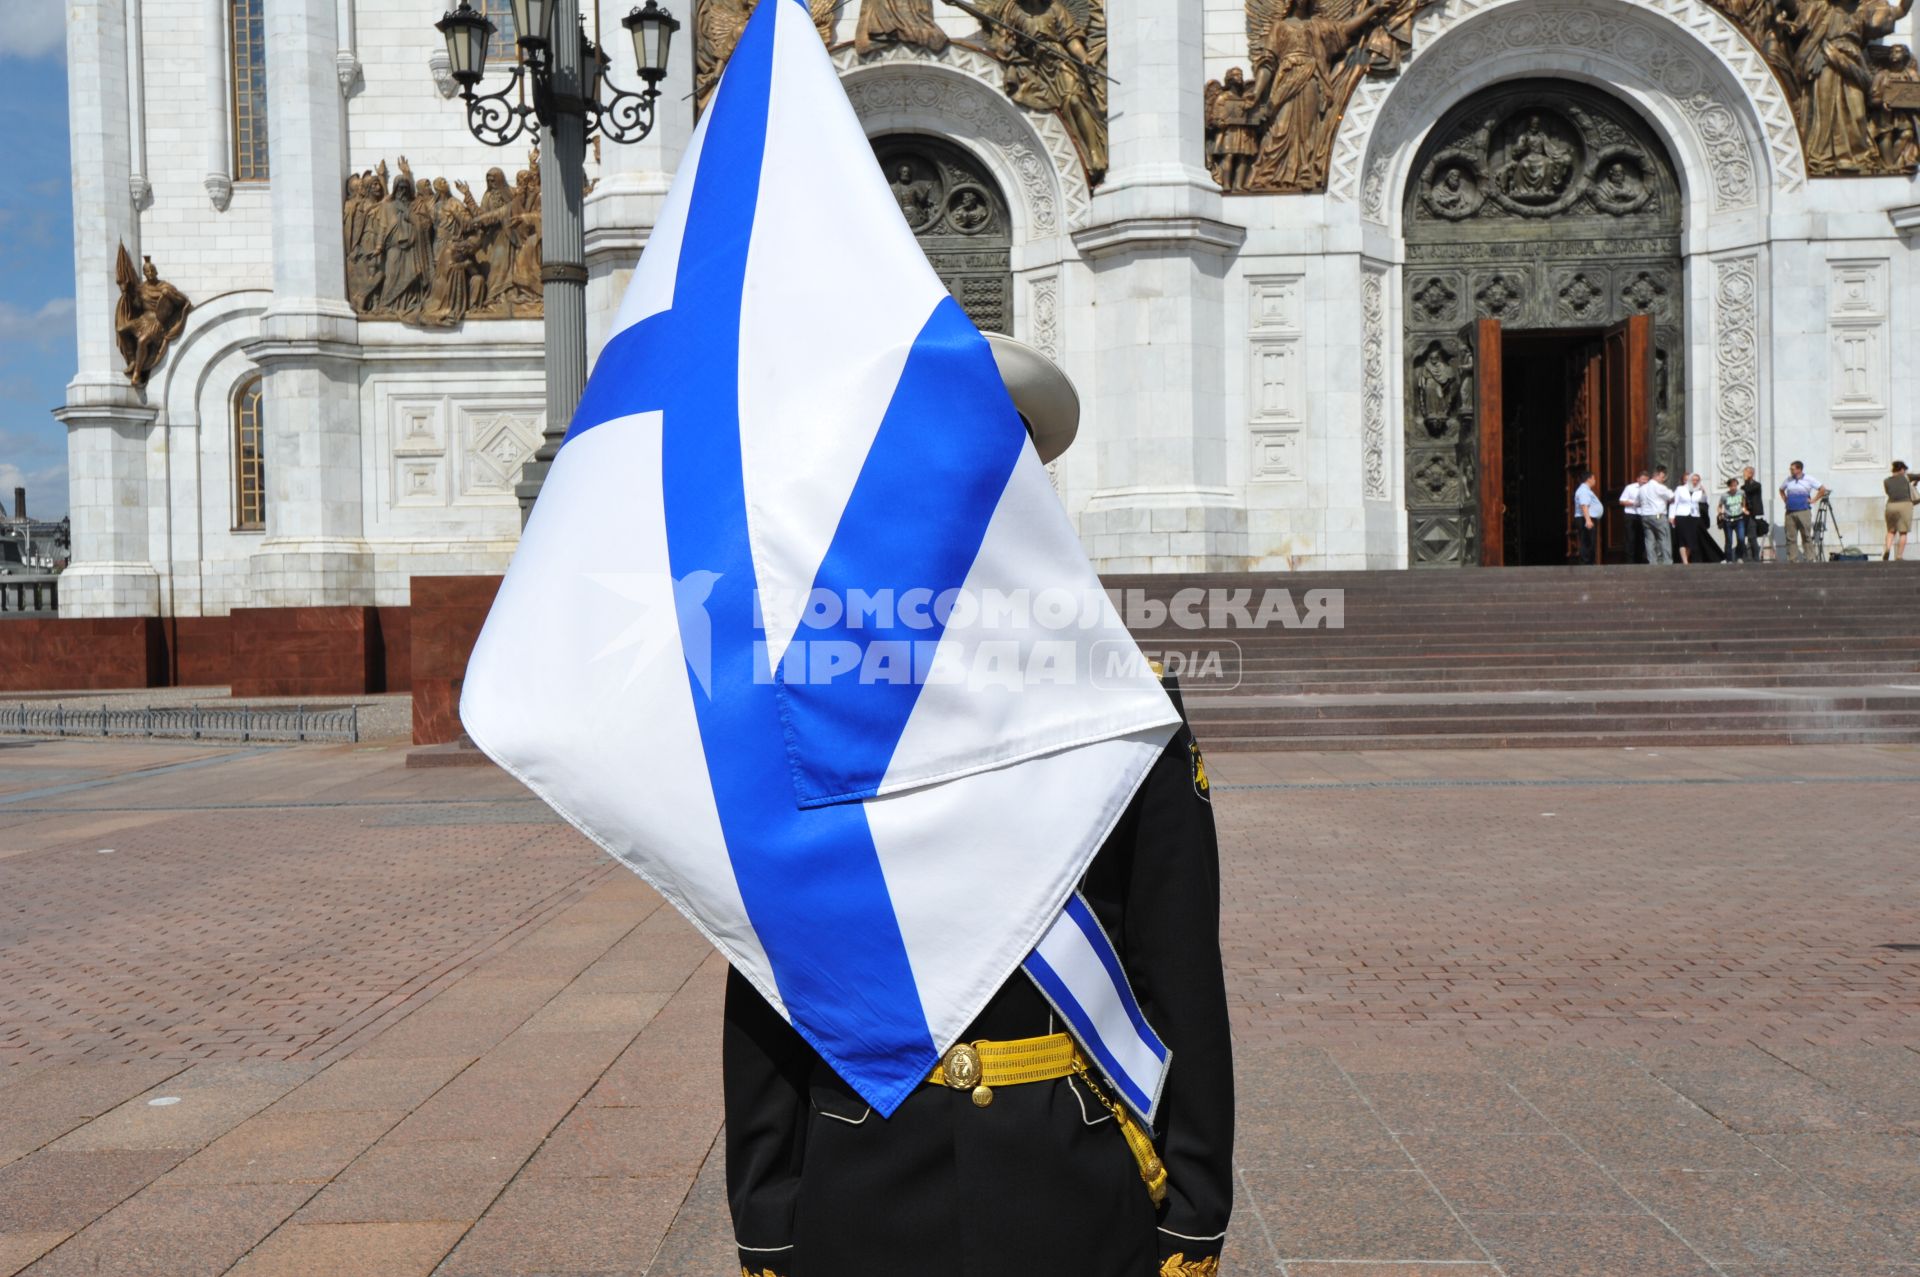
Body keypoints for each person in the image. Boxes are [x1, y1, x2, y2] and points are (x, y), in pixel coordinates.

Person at [724, 338, 1235, 1277]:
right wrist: (768, 1209)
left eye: (985, 474)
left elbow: (1179, 971)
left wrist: (1195, 1206)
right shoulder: (815, 708)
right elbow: (772, 964)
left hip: (1072, 1171)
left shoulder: (1123, 706)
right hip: (862, 1164)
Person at [1779, 461, 1829, 562]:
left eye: (1792, 469)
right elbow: (1781, 489)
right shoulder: (1788, 480)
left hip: (1803, 511)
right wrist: (1785, 500)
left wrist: (1814, 500)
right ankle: (1793, 560)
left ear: (1799, 469)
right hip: (1790, 512)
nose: (1790, 471)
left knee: (1806, 535)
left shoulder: (1809, 479)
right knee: (1790, 537)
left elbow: (1822, 489)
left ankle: (1809, 558)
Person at [1638, 465, 1675, 564]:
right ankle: (1667, 561)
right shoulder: (1659, 487)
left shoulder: (1642, 488)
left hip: (1645, 516)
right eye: (1663, 477)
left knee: (1649, 540)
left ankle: (1652, 562)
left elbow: (1637, 502)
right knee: (1664, 537)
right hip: (1658, 515)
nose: (1663, 480)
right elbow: (1672, 497)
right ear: (1659, 474)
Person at [1670, 471, 1708, 565]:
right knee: (1683, 539)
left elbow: (1704, 500)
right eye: (1693, 479)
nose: (1695, 481)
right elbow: (1674, 502)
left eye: (1697, 480)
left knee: (1691, 539)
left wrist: (1703, 492)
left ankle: (1685, 558)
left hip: (1694, 516)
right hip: (1682, 515)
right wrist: (1671, 516)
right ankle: (1685, 561)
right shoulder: (1680, 489)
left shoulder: (1698, 490)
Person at [1573, 470, 1604, 564]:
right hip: (1585, 518)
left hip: (1587, 518)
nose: (1595, 480)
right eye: (1594, 478)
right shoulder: (1583, 490)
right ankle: (1586, 565)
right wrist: (1588, 520)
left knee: (1590, 542)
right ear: (1589, 479)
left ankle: (1589, 563)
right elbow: (1584, 505)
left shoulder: (1585, 490)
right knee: (1587, 542)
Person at [1885, 460, 1914, 561]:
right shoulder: (1907, 478)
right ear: (1901, 469)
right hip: (1904, 505)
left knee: (1891, 531)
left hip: (1890, 506)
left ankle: (1887, 549)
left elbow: (1889, 492)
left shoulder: (1886, 481)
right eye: (1904, 470)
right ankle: (1899, 556)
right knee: (1903, 532)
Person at [1620, 470, 1648, 565]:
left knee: (1641, 538)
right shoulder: (1630, 488)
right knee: (1630, 538)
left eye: (1646, 480)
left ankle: (1640, 560)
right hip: (1631, 515)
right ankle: (1629, 561)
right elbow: (1622, 501)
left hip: (1643, 515)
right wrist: (1634, 503)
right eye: (1643, 479)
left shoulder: (1648, 489)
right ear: (1638, 479)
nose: (1644, 482)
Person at [1740, 465, 1766, 562]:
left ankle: (1755, 557)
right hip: (1745, 514)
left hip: (1753, 514)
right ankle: (1747, 557)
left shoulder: (1756, 485)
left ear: (1751, 474)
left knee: (1752, 536)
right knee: (1746, 536)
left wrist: (1747, 480)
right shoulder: (1743, 487)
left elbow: (1748, 490)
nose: (1744, 475)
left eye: (1746, 473)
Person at [1720, 477, 1749, 564]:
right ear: (1729, 486)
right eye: (1732, 486)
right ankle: (1729, 559)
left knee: (1741, 538)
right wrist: (1720, 513)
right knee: (1729, 540)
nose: (1734, 488)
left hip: (1739, 518)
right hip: (1728, 519)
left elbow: (1743, 501)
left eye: (1735, 485)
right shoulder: (1724, 495)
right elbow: (1720, 506)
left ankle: (1739, 556)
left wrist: (1744, 509)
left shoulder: (1741, 492)